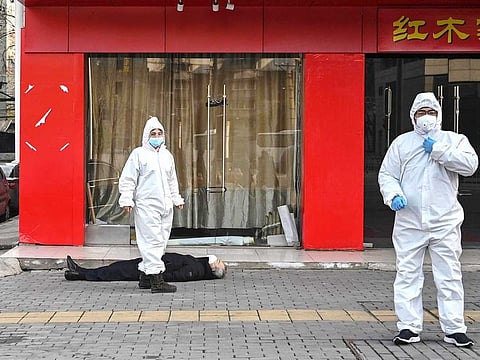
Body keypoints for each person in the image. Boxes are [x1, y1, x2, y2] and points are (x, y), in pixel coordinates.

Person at [378, 92, 478, 348]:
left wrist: (439, 150)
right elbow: (387, 174)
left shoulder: (454, 140)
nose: (426, 117)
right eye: (421, 112)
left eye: (430, 112)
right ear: (412, 116)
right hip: (409, 221)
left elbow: (470, 165)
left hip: (445, 221)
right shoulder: (402, 143)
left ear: (439, 115)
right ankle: (409, 327)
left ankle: (454, 328)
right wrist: (394, 195)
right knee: (407, 274)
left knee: (449, 275)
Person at [119, 116, 185, 293]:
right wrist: (126, 199)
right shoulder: (139, 154)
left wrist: (176, 198)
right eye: (153, 133)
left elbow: (172, 180)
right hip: (147, 205)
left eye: (159, 133)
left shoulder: (167, 156)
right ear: (146, 136)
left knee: (161, 241)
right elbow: (128, 179)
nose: (156, 136)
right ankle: (157, 280)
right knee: (152, 241)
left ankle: (145, 276)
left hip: (165, 206)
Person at [64, 253, 226, 284]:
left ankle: (80, 273)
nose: (217, 259)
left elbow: (178, 276)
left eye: (219, 262)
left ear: (214, 268)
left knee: (116, 271)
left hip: (152, 268)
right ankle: (79, 272)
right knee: (117, 268)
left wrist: (155, 274)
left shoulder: (197, 270)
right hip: (153, 262)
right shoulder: (199, 264)